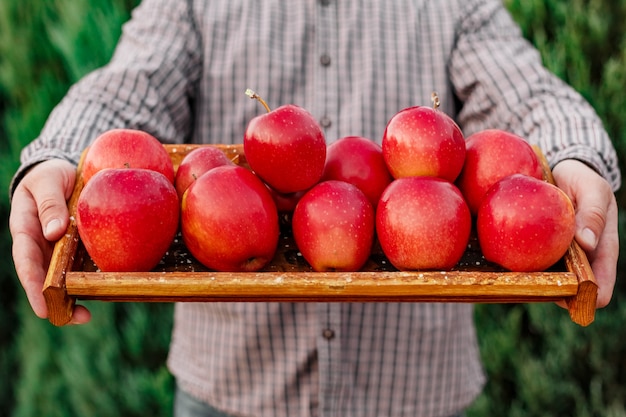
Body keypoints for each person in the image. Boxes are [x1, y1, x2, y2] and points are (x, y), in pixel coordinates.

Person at [8, 0, 620, 416]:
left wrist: (577, 157)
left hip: (412, 392)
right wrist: (56, 156)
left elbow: (527, 92)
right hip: (232, 390)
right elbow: (127, 88)